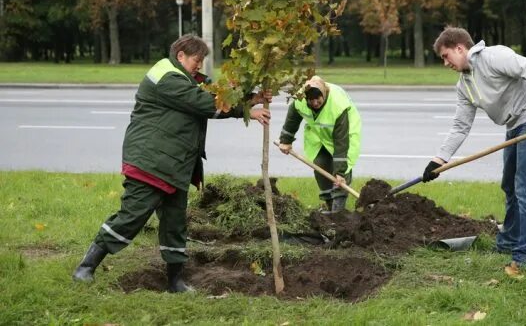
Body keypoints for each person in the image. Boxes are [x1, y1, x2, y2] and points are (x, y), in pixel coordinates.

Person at [72, 34, 271, 292]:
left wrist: (251, 96)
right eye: (196, 60)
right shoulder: (167, 78)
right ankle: (86, 267)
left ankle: (175, 281)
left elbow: (215, 91)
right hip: (151, 162)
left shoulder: (186, 77)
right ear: (181, 56)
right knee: (132, 215)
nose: (199, 66)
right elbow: (203, 102)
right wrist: (247, 109)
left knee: (175, 224)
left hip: (174, 165)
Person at [423, 26, 526, 274]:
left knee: (525, 189)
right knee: (509, 186)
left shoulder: (494, 57)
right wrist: (439, 160)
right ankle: (507, 243)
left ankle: (525, 256)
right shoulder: (464, 86)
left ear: (460, 48)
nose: (445, 63)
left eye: (445, 56)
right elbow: (461, 126)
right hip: (514, 127)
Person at [278, 76, 361, 212]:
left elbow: (341, 141)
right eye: (311, 100)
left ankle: (338, 213)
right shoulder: (300, 99)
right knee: (320, 164)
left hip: (345, 133)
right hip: (320, 135)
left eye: (318, 99)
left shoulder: (338, 106)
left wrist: (340, 172)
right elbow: (293, 116)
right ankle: (330, 206)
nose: (315, 103)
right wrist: (285, 140)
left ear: (324, 94)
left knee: (341, 175)